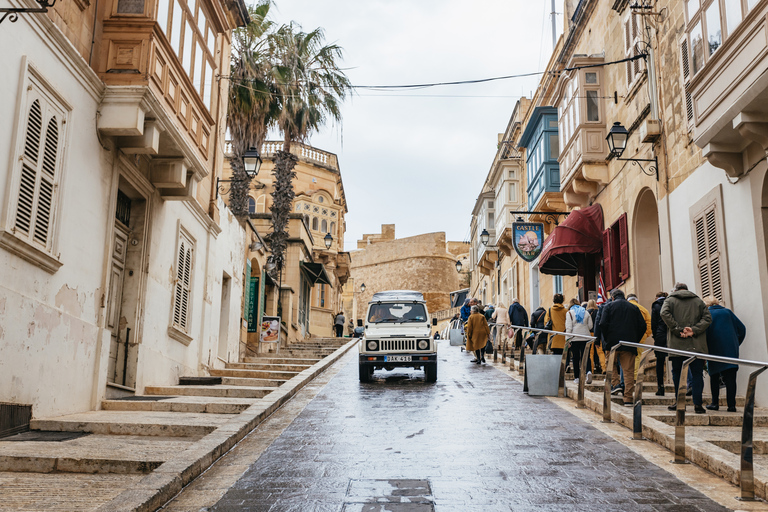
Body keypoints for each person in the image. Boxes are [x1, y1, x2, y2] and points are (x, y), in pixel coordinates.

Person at [660, 282, 712, 414]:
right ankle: (698, 404)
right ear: (687, 290)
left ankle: (679, 402)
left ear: (676, 290)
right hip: (696, 345)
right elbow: (707, 318)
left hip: (677, 345)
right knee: (697, 374)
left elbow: (664, 313)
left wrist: (677, 329)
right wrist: (693, 330)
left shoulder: (670, 300)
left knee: (677, 374)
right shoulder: (698, 301)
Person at [599, 289, 648, 407]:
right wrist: (635, 339)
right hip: (629, 343)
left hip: (612, 343)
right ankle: (628, 398)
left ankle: (616, 385)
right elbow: (643, 325)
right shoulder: (634, 308)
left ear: (612, 297)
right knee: (628, 371)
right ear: (624, 297)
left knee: (610, 365)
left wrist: (606, 339)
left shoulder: (608, 306)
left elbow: (602, 324)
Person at [703, 296, 745, 412]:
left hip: (714, 350)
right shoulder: (728, 312)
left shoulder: (707, 315)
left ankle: (715, 403)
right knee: (731, 378)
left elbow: (704, 334)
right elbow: (742, 329)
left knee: (714, 377)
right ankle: (731, 406)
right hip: (730, 350)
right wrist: (736, 343)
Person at [565, 298, 594, 384]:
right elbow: (590, 326)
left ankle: (577, 377)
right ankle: (588, 371)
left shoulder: (569, 313)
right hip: (586, 337)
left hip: (575, 338)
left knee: (575, 357)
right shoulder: (586, 312)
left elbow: (569, 328)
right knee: (586, 356)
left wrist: (567, 340)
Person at [650, 292, 669, 396]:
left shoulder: (656, 305)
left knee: (660, 362)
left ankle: (660, 387)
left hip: (660, 335)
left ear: (657, 297)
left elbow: (654, 323)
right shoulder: (670, 303)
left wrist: (655, 335)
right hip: (672, 334)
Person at [586, 299, 603, 373]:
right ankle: (604, 368)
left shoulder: (586, 313)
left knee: (590, 352)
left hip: (589, 334)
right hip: (598, 334)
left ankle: (591, 369)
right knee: (601, 352)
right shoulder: (599, 311)